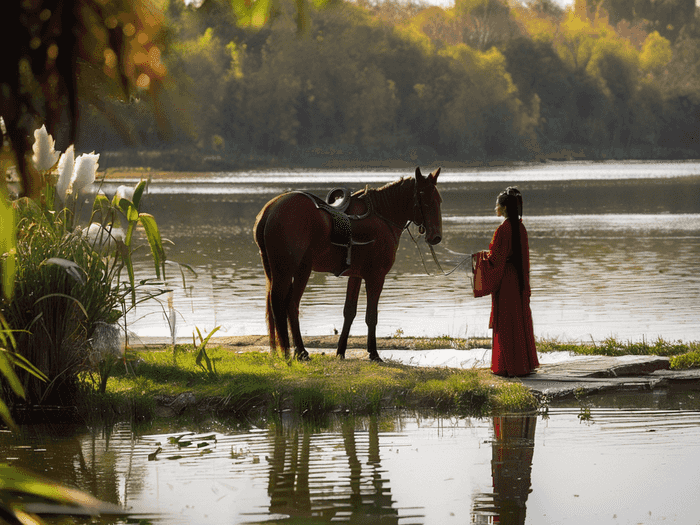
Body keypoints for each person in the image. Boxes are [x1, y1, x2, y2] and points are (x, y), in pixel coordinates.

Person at [478, 187, 539, 377]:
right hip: (518, 279)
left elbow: (496, 259)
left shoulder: (503, 230)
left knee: (506, 323)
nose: (495, 207)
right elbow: (523, 259)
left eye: (497, 204)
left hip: (505, 281)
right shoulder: (520, 227)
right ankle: (523, 364)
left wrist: (480, 259)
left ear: (504, 207)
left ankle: (505, 366)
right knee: (518, 321)